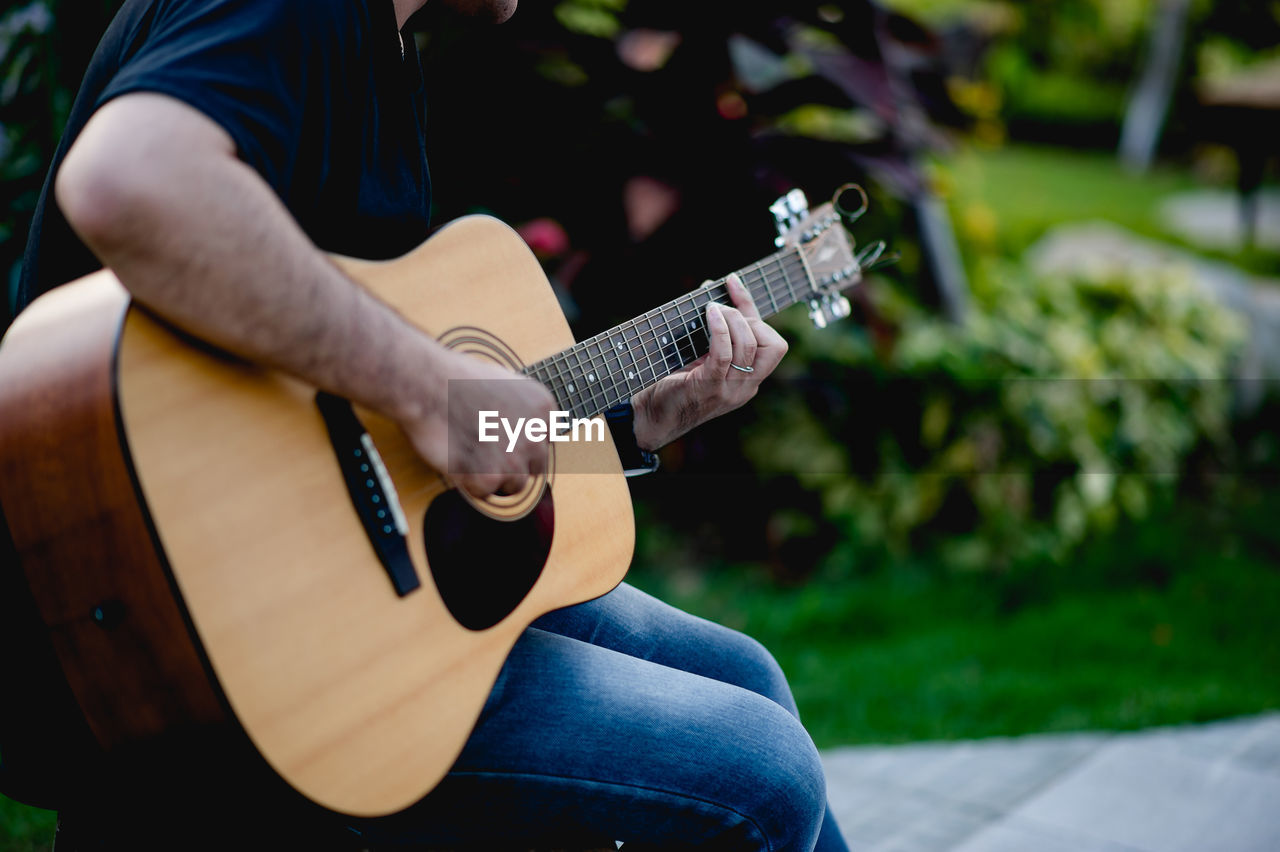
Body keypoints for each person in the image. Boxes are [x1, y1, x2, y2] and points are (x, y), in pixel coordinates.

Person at [8, 0, 850, 849]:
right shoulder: (300, 14)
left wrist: (636, 426)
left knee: (746, 676)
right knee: (761, 773)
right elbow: (128, 180)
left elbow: (367, 424)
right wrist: (429, 385)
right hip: (210, 646)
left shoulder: (382, 48)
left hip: (338, 593)